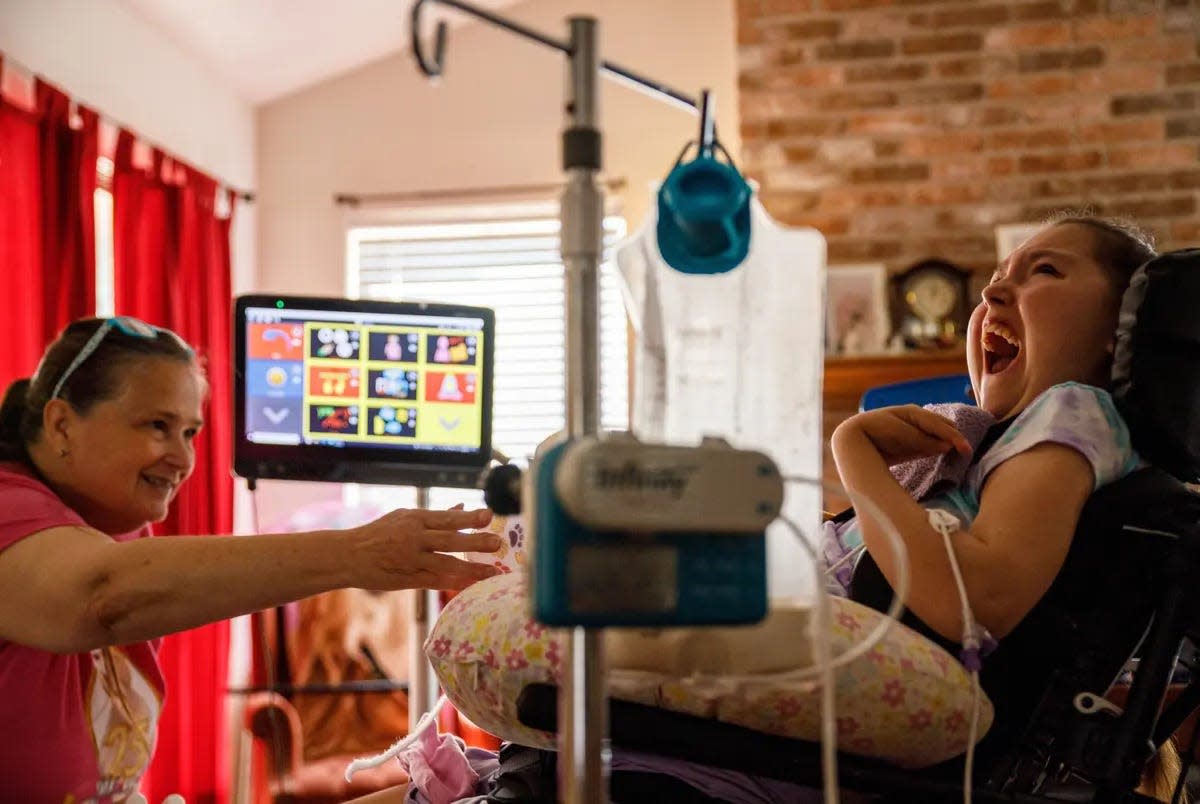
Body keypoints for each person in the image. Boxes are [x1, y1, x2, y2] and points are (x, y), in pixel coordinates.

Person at [0, 317, 502, 803]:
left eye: (191, 434)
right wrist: (356, 554)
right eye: (158, 426)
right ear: (61, 423)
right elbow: (97, 599)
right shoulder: (10, 509)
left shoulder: (111, 529)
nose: (183, 459)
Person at [830, 214, 1183, 799]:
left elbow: (979, 599)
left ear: (1119, 333)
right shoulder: (1014, 439)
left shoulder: (1073, 412)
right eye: (998, 276)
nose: (991, 293)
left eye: (1045, 271)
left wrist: (855, 450)